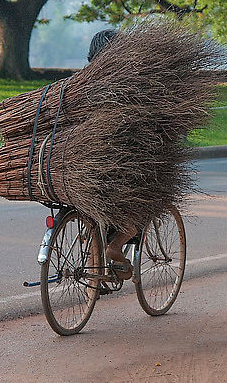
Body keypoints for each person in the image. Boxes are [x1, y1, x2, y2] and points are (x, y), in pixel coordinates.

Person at [87, 29, 136, 281]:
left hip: (80, 168)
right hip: (114, 166)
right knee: (143, 202)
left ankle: (90, 252)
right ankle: (115, 245)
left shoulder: (79, 84)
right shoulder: (128, 83)